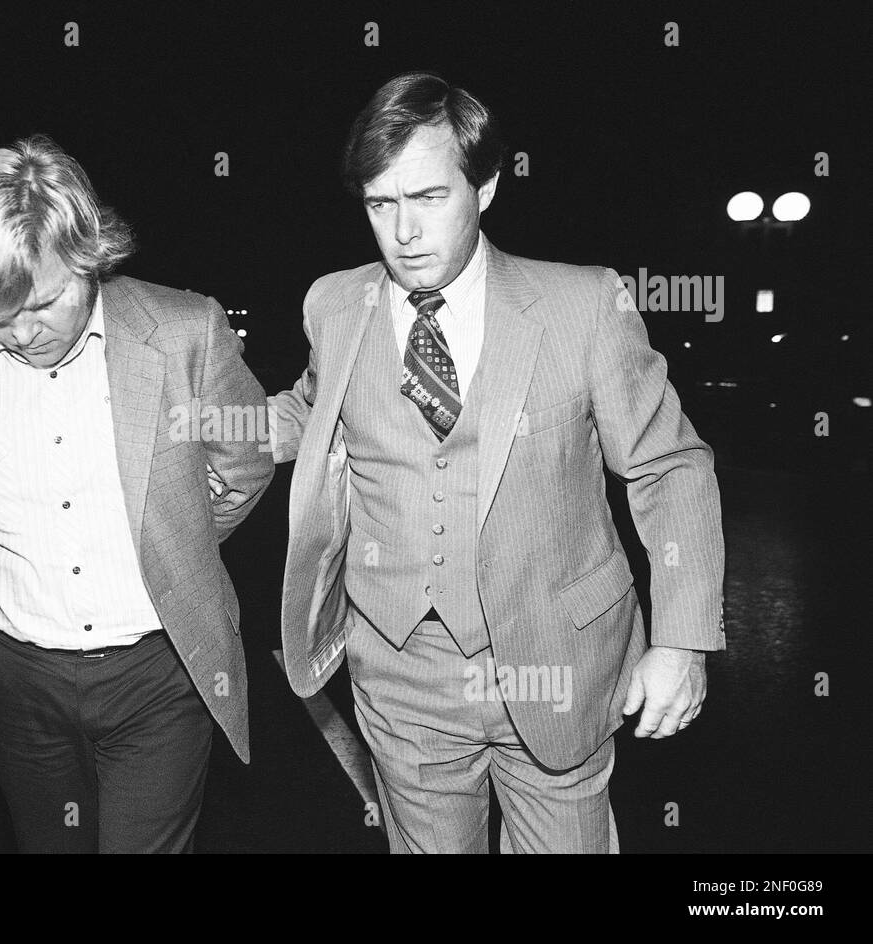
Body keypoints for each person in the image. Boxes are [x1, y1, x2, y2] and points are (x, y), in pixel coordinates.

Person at [265, 72, 726, 853]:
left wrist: (682, 643)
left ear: (485, 187)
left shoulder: (583, 307)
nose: (404, 231)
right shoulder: (335, 305)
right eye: (381, 204)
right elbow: (312, 410)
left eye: (429, 198)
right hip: (401, 667)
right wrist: (204, 432)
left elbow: (669, 466)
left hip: (559, 659)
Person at [0, 135, 273, 852]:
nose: (26, 332)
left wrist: (166, 546)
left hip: (160, 674)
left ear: (90, 256)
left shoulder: (187, 331)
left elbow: (245, 464)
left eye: (46, 300)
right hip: (15, 679)